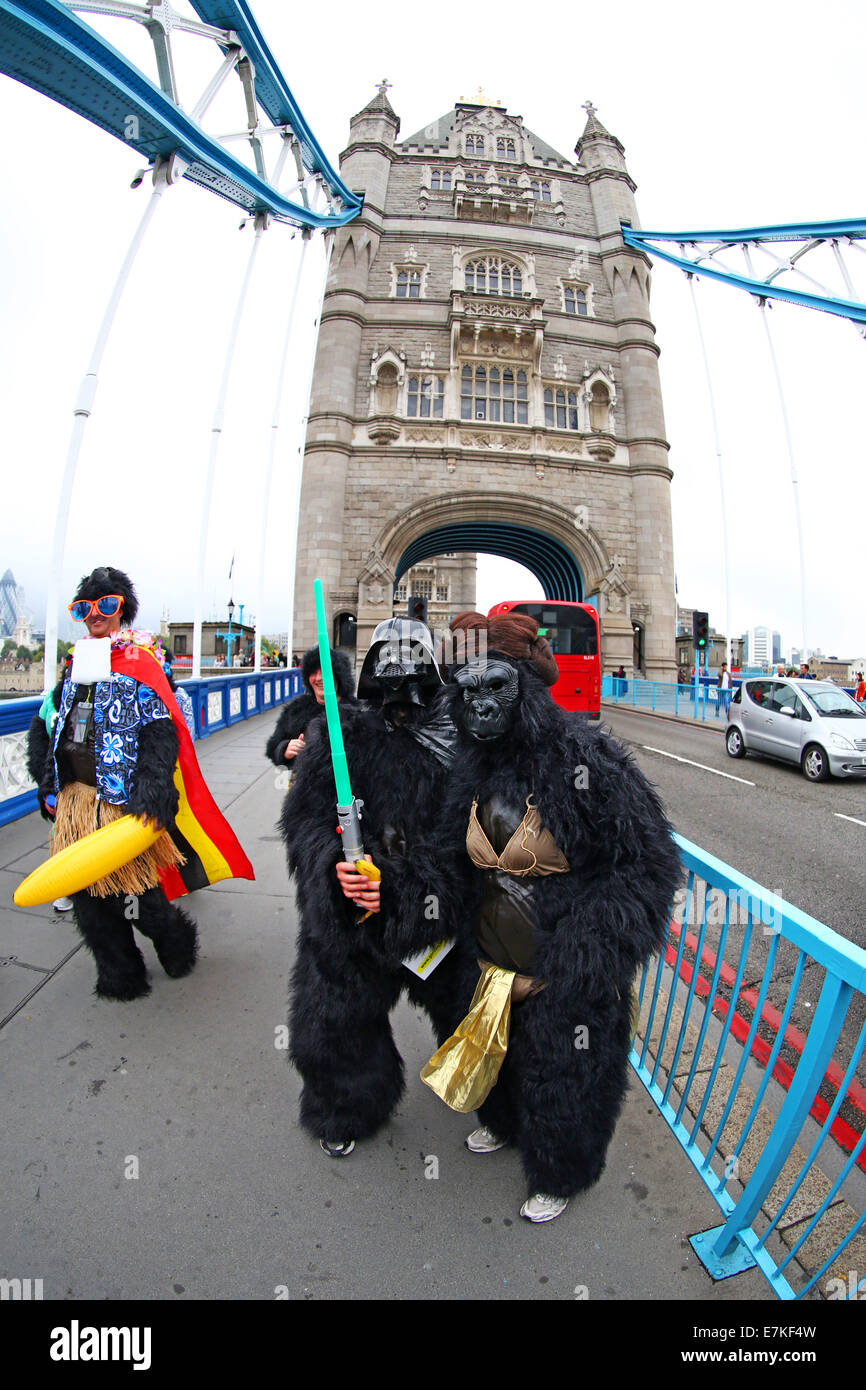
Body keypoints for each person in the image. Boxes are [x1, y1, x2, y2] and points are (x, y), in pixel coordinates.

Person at [424, 614, 681, 1222]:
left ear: (528, 691)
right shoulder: (470, 770)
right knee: (499, 1053)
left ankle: (560, 1171)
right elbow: (448, 863)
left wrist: (584, 956)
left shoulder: (583, 758)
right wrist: (392, 892)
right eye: (469, 692)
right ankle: (503, 1124)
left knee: (563, 1071)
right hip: (490, 956)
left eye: (497, 689)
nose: (482, 707)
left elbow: (646, 863)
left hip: (562, 965)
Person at [280, 618, 479, 1158]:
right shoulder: (339, 735)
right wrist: (331, 870)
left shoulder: (460, 738)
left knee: (472, 1017)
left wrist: (409, 892)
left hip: (433, 917)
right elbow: (306, 821)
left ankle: (495, 1104)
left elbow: (472, 838)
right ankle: (347, 1107)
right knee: (334, 1022)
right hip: (351, 919)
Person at [27, 566, 253, 1000]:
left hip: (120, 805)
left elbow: (160, 730)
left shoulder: (140, 665)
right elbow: (46, 727)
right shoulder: (71, 671)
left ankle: (175, 941)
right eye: (85, 607)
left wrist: (154, 788)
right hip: (76, 804)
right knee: (89, 905)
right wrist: (46, 780)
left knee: (139, 900)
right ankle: (120, 974)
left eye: (106, 605)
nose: (95, 615)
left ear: (121, 611)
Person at [265, 645, 355, 772]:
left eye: (324, 671)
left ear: (339, 677)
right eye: (313, 673)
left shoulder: (358, 713)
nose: (318, 678)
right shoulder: (296, 710)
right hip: (305, 788)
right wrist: (285, 749)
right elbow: (273, 747)